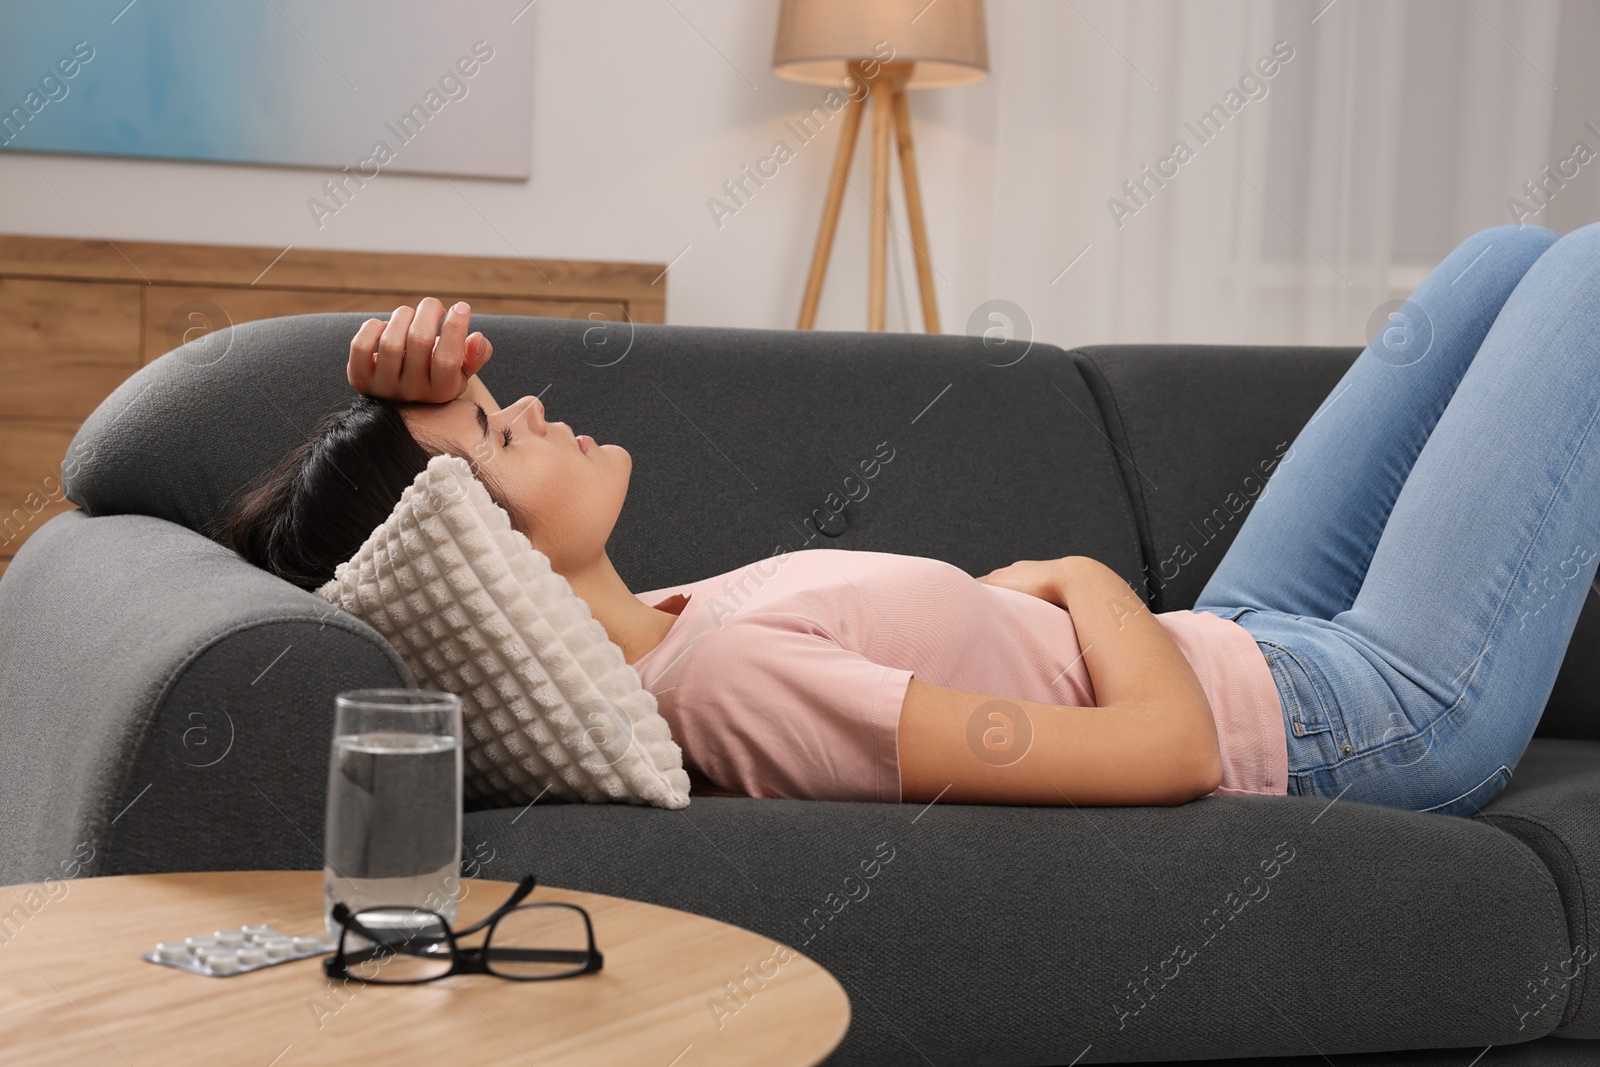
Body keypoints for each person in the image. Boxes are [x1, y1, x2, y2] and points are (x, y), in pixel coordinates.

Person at [228, 221, 1600, 817]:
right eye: (487, 437)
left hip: (1244, 635)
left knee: (1501, 266)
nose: (520, 406)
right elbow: (1174, 751)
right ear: (483, 561)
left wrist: (391, 405)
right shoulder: (727, 685)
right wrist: (1075, 577)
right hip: (1364, 718)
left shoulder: (684, 622)